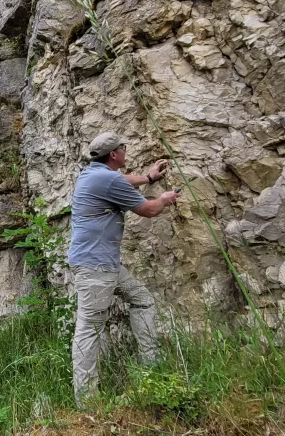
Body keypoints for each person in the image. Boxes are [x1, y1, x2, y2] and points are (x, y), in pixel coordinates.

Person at [68, 131, 179, 407]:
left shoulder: (91, 174)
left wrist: (148, 178)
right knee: (89, 330)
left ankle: (150, 368)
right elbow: (149, 210)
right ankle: (87, 402)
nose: (125, 151)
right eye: (123, 148)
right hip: (96, 269)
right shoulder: (107, 179)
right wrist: (164, 199)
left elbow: (121, 181)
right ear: (115, 154)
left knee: (142, 300)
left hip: (105, 266)